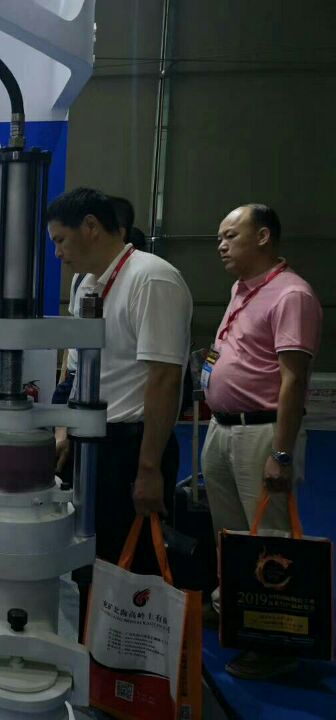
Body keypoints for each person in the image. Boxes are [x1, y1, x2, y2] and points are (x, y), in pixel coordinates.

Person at [47, 188, 192, 639]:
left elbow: (165, 378)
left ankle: (131, 666)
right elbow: (76, 368)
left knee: (132, 569)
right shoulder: (86, 284)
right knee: (92, 560)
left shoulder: (152, 278)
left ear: (91, 226)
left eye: (61, 240)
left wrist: (149, 469)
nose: (58, 253)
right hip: (90, 441)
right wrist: (65, 428)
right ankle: (95, 654)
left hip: (131, 447)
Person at [201, 204, 322, 680]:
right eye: (219, 237)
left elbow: (293, 380)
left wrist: (281, 453)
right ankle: (231, 607)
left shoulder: (292, 295)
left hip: (262, 432)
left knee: (269, 539)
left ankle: (274, 642)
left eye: (231, 235)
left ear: (264, 237)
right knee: (229, 533)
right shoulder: (242, 290)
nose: (221, 246)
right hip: (222, 427)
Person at [53, 195, 147, 405]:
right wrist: (64, 379)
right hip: (75, 380)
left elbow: (163, 374)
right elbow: (74, 331)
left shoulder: (147, 279)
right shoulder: (82, 278)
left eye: (61, 240)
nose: (58, 253)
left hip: (111, 398)